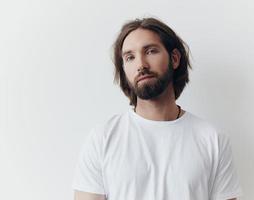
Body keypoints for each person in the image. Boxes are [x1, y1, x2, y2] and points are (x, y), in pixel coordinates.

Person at [72, 17, 243, 200]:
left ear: (175, 58)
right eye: (130, 57)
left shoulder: (213, 140)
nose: (141, 65)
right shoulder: (102, 139)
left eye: (151, 51)